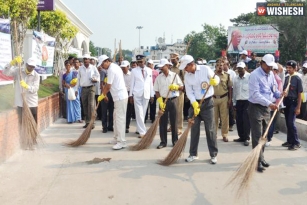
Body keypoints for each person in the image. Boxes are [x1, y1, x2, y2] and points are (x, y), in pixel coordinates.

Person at [180, 55, 220, 164]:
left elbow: (217, 79)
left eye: (186, 67)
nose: (185, 69)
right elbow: (189, 91)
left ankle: (213, 154)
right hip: (195, 104)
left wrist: (214, 82)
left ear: (191, 64)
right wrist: (194, 103)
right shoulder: (187, 76)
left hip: (208, 102)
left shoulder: (205, 69)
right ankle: (193, 154)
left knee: (210, 129)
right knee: (194, 130)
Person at [248, 54, 281, 172]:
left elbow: (274, 87)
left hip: (267, 108)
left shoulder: (271, 74)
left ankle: (261, 158)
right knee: (257, 136)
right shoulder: (254, 75)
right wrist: (269, 103)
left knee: (264, 135)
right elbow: (255, 94)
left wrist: (278, 93)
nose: (270, 68)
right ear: (262, 63)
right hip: (256, 107)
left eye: (271, 66)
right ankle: (256, 162)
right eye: (268, 66)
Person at [97, 55, 128, 150]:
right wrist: (103, 95)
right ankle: (116, 138)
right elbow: (108, 84)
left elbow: (108, 86)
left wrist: (102, 95)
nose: (102, 66)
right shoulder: (113, 67)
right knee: (115, 119)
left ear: (106, 61)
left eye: (102, 64)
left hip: (120, 97)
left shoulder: (111, 69)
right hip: (117, 97)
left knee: (120, 120)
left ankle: (122, 141)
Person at [154, 59, 183, 149]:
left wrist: (176, 87)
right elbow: (156, 91)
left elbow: (182, 87)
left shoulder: (174, 75)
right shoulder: (159, 77)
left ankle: (175, 141)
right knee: (163, 122)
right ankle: (163, 142)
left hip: (173, 100)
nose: (161, 68)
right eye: (161, 67)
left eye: (163, 66)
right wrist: (160, 102)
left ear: (167, 65)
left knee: (174, 121)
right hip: (162, 100)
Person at [3, 57, 40, 125]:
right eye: (29, 66)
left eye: (33, 67)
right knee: (22, 123)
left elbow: (35, 89)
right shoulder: (18, 71)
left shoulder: (36, 76)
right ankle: (23, 135)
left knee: (33, 123)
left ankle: (33, 136)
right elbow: (5, 72)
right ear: (26, 64)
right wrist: (11, 63)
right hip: (20, 103)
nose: (31, 68)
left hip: (31, 103)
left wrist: (26, 86)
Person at [129, 55, 154, 138]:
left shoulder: (149, 70)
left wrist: (152, 94)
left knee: (143, 113)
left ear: (145, 61)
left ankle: (138, 129)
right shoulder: (134, 71)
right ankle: (143, 132)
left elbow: (150, 83)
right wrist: (130, 95)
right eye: (138, 62)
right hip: (137, 94)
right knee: (139, 113)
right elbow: (132, 83)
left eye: (141, 61)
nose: (140, 63)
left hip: (146, 93)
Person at [282, 60, 303, 150]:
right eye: (287, 68)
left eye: (290, 68)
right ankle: (290, 140)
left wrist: (298, 107)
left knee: (291, 122)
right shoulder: (287, 78)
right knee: (287, 122)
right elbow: (285, 90)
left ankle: (296, 142)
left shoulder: (297, 79)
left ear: (295, 68)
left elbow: (299, 94)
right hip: (287, 102)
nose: (288, 69)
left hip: (294, 102)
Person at [75, 54, 100, 129]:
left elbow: (98, 76)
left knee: (91, 105)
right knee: (85, 105)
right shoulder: (80, 68)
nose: (86, 60)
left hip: (91, 87)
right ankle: (87, 122)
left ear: (89, 60)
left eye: (87, 59)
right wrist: (76, 89)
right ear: (83, 60)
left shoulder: (93, 67)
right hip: (83, 88)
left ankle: (92, 122)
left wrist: (96, 79)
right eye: (85, 59)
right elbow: (78, 79)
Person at [213, 59, 232, 142]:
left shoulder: (227, 75)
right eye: (218, 65)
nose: (220, 67)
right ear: (215, 66)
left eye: (221, 65)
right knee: (214, 118)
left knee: (224, 118)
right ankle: (214, 134)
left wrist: (230, 99)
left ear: (224, 66)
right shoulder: (212, 75)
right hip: (213, 98)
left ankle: (224, 134)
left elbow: (230, 88)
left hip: (224, 98)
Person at [232, 62, 250, 146]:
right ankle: (241, 136)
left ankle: (246, 138)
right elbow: (234, 91)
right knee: (239, 120)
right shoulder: (235, 78)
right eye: (238, 69)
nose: (239, 70)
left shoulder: (249, 77)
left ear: (245, 68)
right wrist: (234, 102)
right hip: (238, 101)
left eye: (241, 69)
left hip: (247, 101)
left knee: (246, 120)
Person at [266, 63, 283, 146]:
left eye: (273, 69)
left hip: (273, 103)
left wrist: (277, 104)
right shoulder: (268, 77)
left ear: (276, 71)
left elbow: (278, 93)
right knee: (267, 122)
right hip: (267, 102)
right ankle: (266, 137)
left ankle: (268, 139)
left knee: (270, 122)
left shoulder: (277, 79)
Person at [170, 53, 185, 135]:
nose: (172, 61)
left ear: (177, 59)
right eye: (171, 59)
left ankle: (179, 127)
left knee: (179, 110)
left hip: (179, 91)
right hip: (172, 91)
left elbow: (184, 80)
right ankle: (172, 126)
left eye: (174, 59)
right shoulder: (171, 68)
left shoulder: (181, 68)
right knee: (172, 109)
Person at [120, 60, 133, 133]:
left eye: (124, 68)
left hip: (129, 93)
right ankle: (122, 126)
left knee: (128, 111)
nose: (123, 69)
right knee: (122, 111)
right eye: (122, 68)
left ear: (128, 67)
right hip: (122, 93)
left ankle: (127, 126)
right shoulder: (120, 74)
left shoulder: (131, 75)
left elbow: (133, 86)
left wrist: (131, 96)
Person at [223, 60, 236, 131]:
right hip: (223, 91)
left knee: (230, 107)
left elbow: (233, 84)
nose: (223, 66)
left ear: (228, 65)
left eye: (224, 64)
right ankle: (223, 123)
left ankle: (231, 124)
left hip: (230, 90)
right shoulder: (220, 72)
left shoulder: (232, 73)